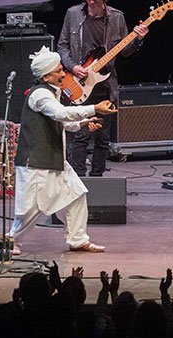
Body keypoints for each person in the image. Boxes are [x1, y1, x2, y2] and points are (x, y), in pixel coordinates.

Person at [7, 46, 117, 254]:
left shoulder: (51, 92)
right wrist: (94, 108)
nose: (63, 74)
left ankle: (77, 239)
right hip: (36, 162)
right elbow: (60, 114)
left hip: (54, 159)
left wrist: (84, 123)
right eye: (59, 70)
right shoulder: (40, 95)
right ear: (46, 76)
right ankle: (11, 239)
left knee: (77, 195)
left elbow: (62, 122)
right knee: (31, 208)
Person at [56, 0, 149, 176]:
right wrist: (73, 67)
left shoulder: (117, 17)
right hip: (79, 83)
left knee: (102, 138)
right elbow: (62, 46)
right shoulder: (73, 14)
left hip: (105, 86)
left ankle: (98, 179)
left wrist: (137, 40)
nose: (90, 2)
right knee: (80, 136)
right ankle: (79, 181)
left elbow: (124, 51)